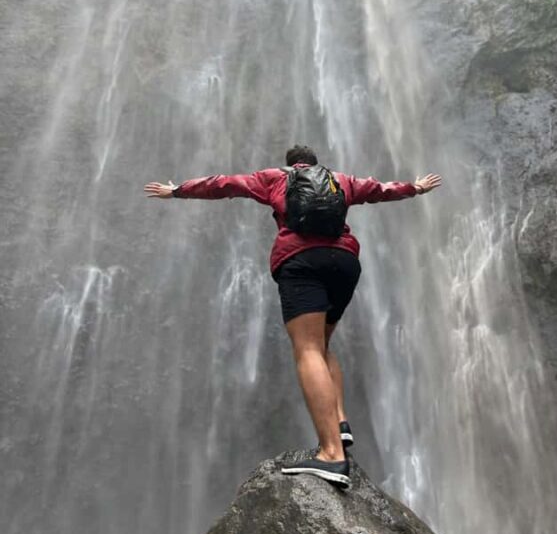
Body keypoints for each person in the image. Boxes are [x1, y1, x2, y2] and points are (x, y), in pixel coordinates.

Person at [144, 145, 441, 487]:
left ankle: (332, 454)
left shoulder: (274, 179)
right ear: (316, 165)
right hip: (344, 262)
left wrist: (178, 190)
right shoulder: (339, 180)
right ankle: (340, 424)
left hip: (302, 262)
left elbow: (224, 184)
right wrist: (415, 187)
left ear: (290, 165)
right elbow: (378, 189)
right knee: (324, 345)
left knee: (308, 349)